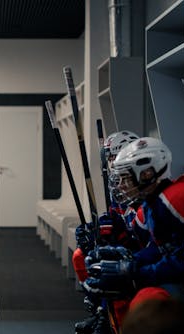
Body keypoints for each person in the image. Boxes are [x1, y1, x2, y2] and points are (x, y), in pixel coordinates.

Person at [83, 137, 184, 330]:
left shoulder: (181, 197)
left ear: (147, 173)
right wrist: (130, 261)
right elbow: (160, 249)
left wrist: (136, 273)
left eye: (126, 178)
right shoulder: (153, 202)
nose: (121, 185)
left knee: (147, 303)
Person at [72, 130, 140, 334]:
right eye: (109, 157)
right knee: (81, 254)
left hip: (138, 250)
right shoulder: (118, 187)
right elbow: (115, 220)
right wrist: (95, 232)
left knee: (108, 267)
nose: (110, 162)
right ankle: (99, 309)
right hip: (127, 245)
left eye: (113, 156)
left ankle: (110, 316)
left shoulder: (142, 189)